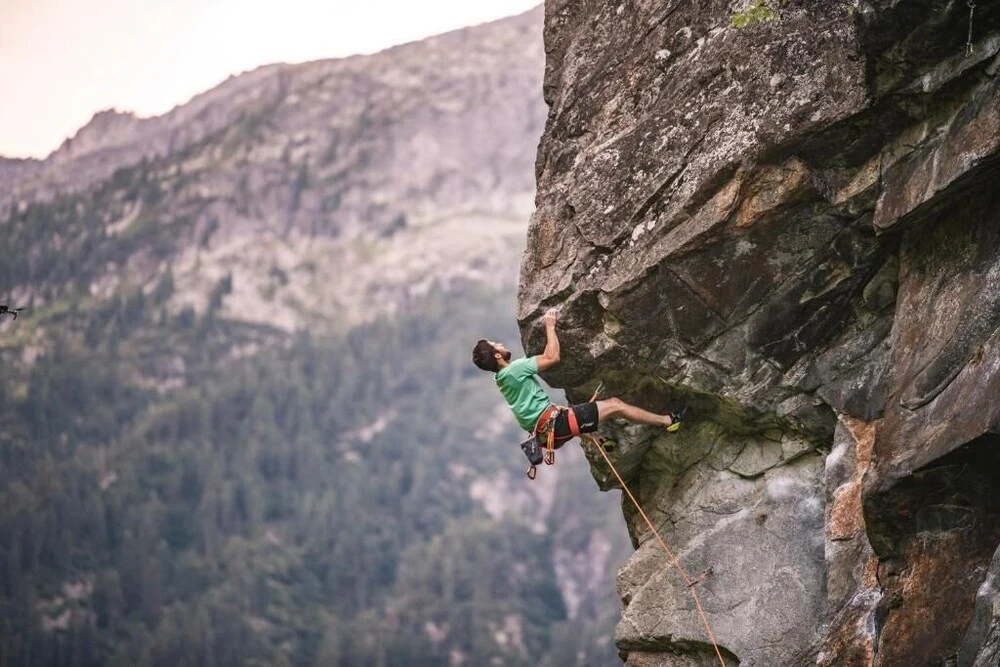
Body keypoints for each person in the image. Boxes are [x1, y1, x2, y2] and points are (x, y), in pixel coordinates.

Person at [472, 309, 682, 451]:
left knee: (568, 412)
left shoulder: (500, 380)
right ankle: (668, 421)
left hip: (547, 437)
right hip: (557, 427)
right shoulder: (515, 370)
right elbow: (552, 358)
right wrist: (550, 326)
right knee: (615, 405)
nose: (500, 344)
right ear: (497, 355)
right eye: (496, 345)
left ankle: (600, 441)